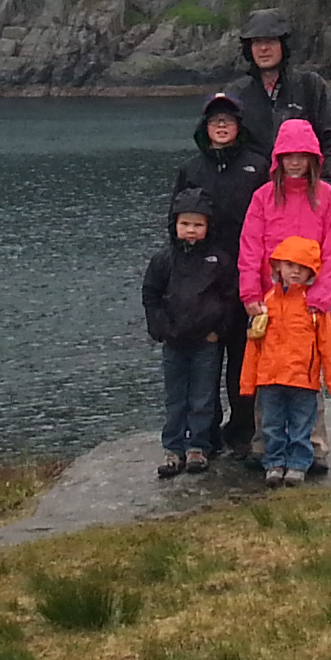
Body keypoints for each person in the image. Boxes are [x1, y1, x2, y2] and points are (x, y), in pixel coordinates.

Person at [237, 119, 331, 484]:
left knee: (307, 371)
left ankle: (313, 445)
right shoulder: (263, 197)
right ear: (278, 159)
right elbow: (250, 248)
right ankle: (265, 445)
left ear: (313, 158)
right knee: (267, 370)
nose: (295, 163)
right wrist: (251, 295)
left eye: (302, 156)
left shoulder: (328, 197)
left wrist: (322, 296)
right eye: (288, 156)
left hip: (309, 300)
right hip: (270, 300)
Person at [170, 93, 265, 466]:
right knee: (205, 359)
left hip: (246, 275)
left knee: (244, 360)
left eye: (228, 120)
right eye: (214, 121)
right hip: (203, 280)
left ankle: (241, 432)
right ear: (204, 128)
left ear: (239, 126)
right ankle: (203, 435)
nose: (221, 126)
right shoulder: (190, 170)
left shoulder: (257, 167)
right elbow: (174, 225)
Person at [141, 195, 241, 477]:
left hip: (205, 343)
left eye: (198, 224)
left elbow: (229, 299)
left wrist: (217, 332)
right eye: (185, 223)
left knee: (203, 397)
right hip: (173, 342)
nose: (191, 230)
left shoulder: (218, 260)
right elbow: (151, 295)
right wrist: (159, 329)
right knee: (175, 398)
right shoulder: (163, 260)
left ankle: (198, 447)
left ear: (208, 226)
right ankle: (172, 449)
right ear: (175, 225)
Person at [220, 8, 331, 187]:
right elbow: (219, 147)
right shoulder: (236, 93)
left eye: (271, 41)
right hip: (252, 199)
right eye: (257, 42)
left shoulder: (311, 86)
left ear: (284, 45)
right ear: (248, 49)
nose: (264, 48)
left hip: (306, 196)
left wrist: (327, 186)